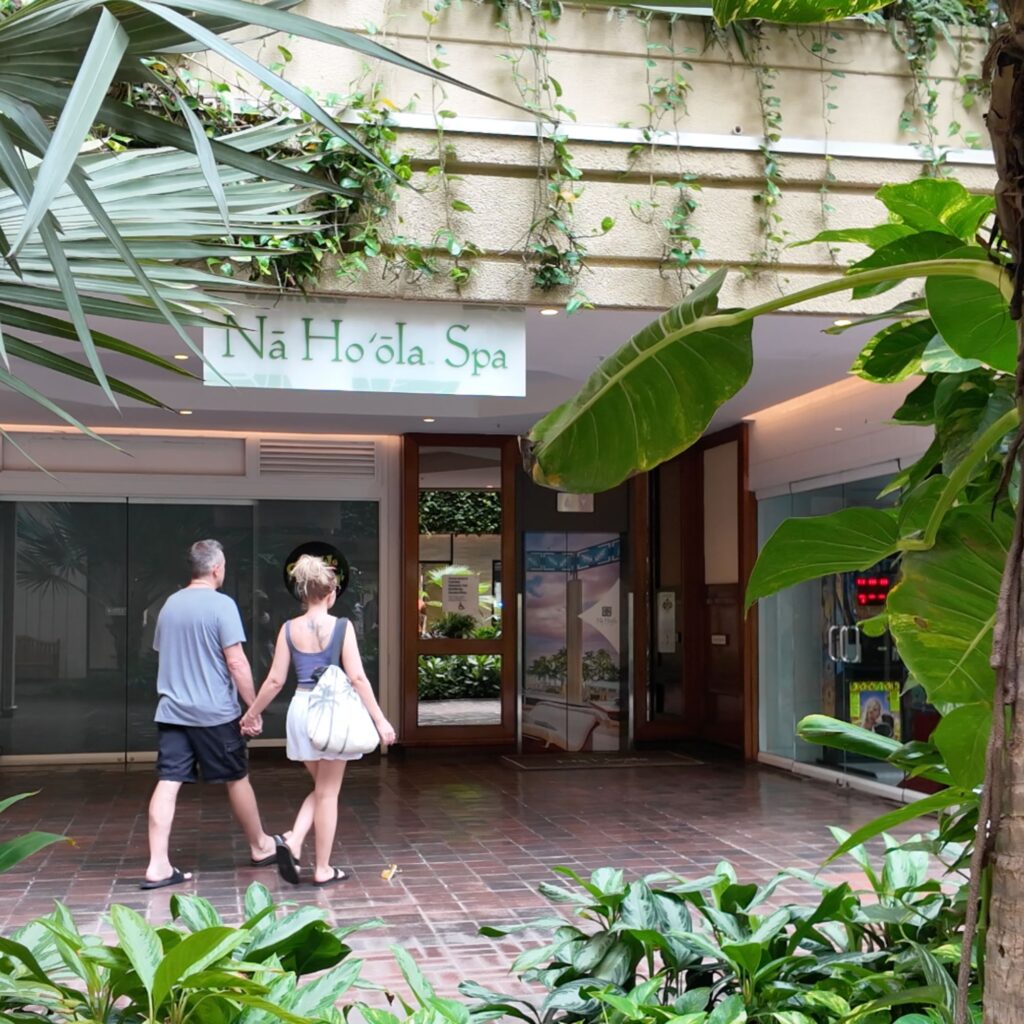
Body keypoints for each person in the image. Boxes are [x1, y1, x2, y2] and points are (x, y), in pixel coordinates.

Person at [241, 555, 395, 887]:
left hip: (301, 712)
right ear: (331, 593)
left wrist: (252, 713)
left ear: (302, 593)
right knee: (328, 792)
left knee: (323, 788)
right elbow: (357, 676)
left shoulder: (287, 629)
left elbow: (274, 682)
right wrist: (380, 720)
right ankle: (320, 866)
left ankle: (294, 841)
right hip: (332, 713)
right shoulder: (342, 627)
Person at [142, 539, 277, 889]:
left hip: (172, 712)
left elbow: (163, 651)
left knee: (168, 781)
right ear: (217, 568)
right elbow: (236, 661)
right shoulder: (222, 605)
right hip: (215, 714)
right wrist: (253, 708)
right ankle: (261, 845)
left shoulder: (169, 605)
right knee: (237, 777)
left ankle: (158, 864)